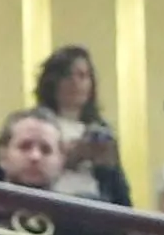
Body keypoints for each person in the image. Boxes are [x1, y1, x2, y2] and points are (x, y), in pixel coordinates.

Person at [24, 45, 129, 205]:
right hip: (46, 205)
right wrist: (65, 158)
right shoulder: (30, 124)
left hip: (95, 208)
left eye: (83, 76)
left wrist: (107, 167)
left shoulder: (101, 129)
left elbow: (119, 191)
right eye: (68, 76)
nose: (75, 83)